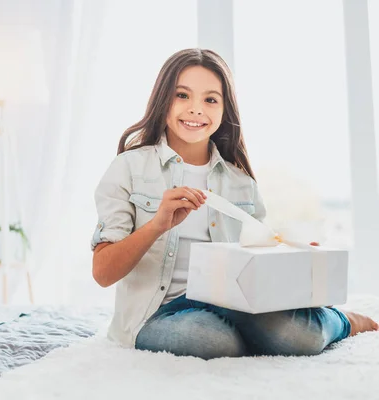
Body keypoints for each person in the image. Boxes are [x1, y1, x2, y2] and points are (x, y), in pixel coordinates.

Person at [91, 48, 378, 360]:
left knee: (299, 336)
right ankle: (258, 334)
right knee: (210, 341)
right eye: (182, 95)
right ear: (164, 99)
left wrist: (289, 254)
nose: (196, 109)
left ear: (224, 109)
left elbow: (258, 262)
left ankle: (342, 320)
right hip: (156, 316)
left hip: (232, 304)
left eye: (210, 99)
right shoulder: (129, 168)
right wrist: (158, 224)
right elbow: (103, 273)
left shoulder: (240, 182)